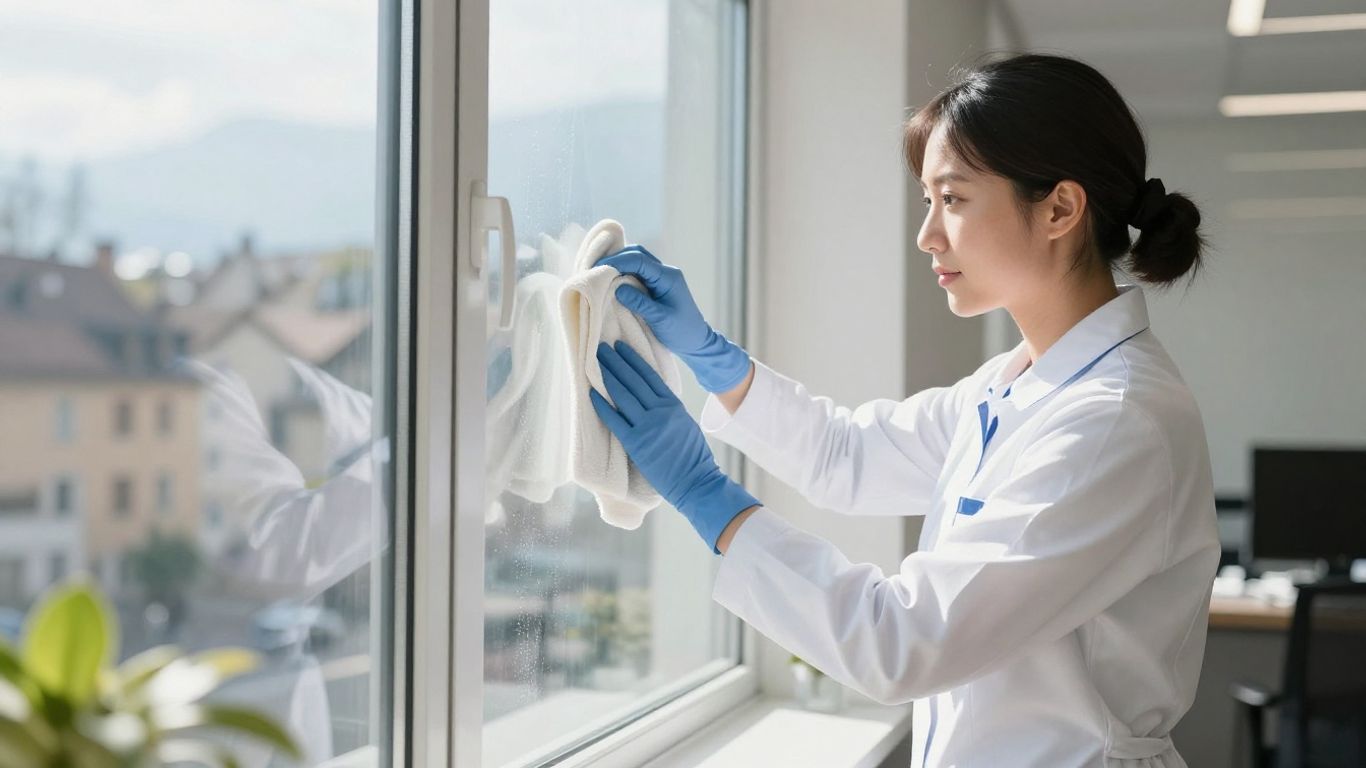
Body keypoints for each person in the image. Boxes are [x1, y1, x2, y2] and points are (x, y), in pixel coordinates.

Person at [587, 53, 1221, 767]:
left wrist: (709, 498)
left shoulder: (1115, 421)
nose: (927, 235)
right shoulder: (1016, 384)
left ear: (1060, 209)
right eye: (928, 201)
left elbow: (905, 643)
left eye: (952, 199)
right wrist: (714, 360)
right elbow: (848, 456)